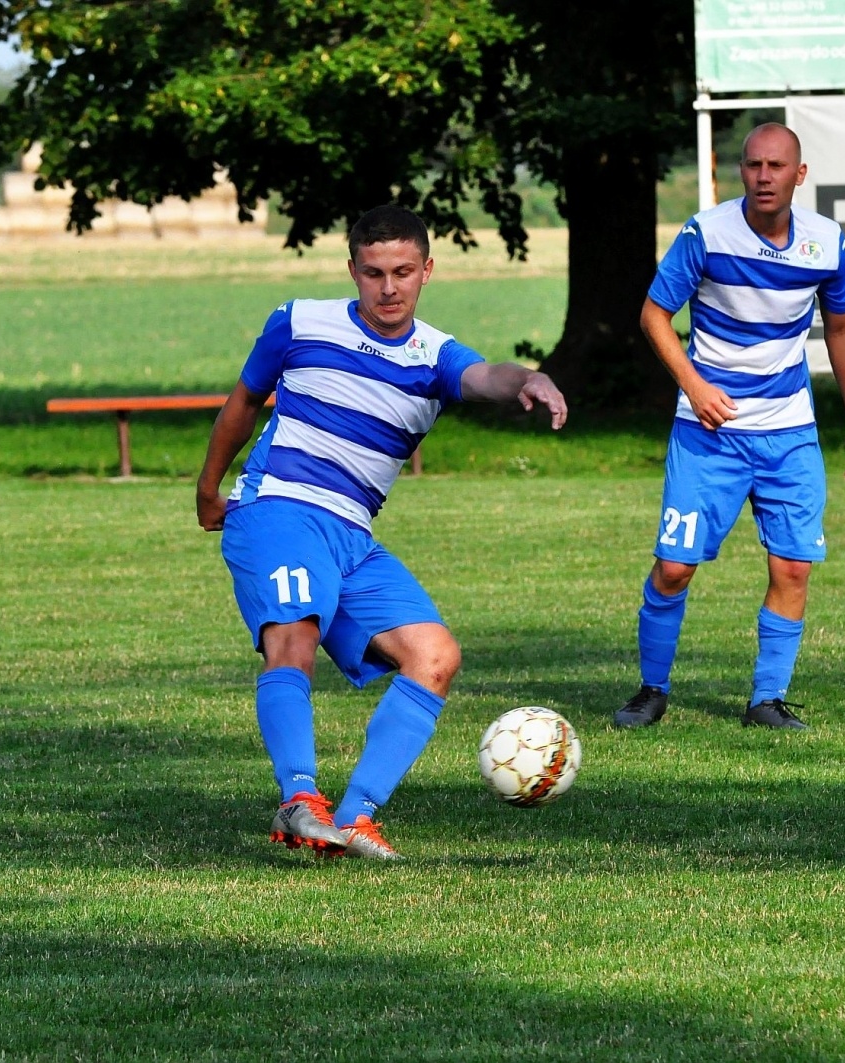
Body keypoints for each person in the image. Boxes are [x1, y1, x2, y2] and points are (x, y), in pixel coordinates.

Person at [197, 204, 567, 860]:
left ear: (427, 270)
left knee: (435, 656)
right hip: (281, 508)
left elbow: (485, 377)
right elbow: (244, 403)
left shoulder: (434, 355)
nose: (388, 287)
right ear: (353, 271)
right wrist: (208, 485)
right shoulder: (298, 322)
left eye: (402, 271)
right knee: (294, 635)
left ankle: (354, 816)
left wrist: (528, 380)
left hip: (352, 536)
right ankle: (299, 796)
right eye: (373, 273)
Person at [612, 122, 845, 732]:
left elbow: (839, 329)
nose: (764, 176)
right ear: (742, 172)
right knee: (675, 567)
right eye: (753, 165)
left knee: (792, 568)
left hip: (789, 432)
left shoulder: (827, 243)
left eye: (776, 166)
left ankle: (767, 699)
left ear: (798, 175)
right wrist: (694, 386)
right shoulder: (707, 233)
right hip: (709, 432)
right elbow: (654, 315)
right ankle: (651, 689)